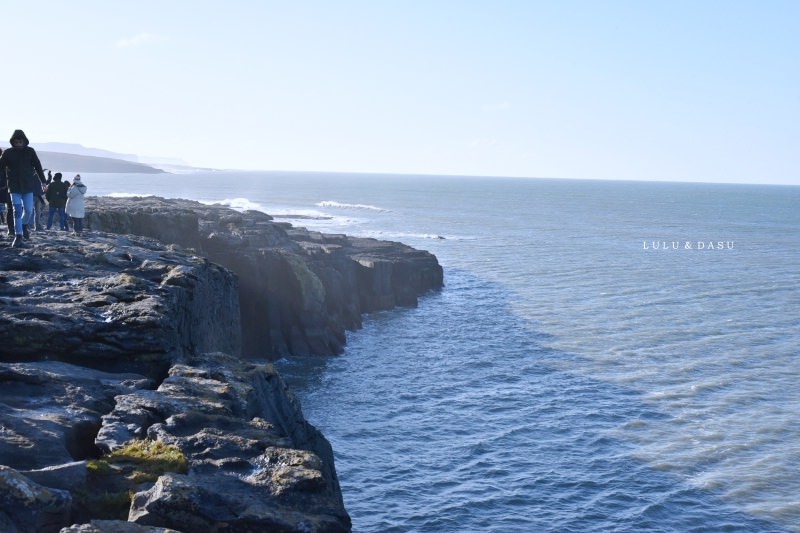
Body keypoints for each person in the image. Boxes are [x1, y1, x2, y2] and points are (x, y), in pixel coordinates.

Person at [0, 130, 47, 247]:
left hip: (28, 186)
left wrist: (43, 182)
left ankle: (24, 226)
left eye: (20, 141)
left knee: (29, 211)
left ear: (24, 141)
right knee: (17, 211)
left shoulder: (30, 151)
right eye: (16, 141)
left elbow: (38, 166)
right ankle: (18, 235)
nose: (18, 143)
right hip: (14, 187)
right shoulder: (7, 153)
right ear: (13, 141)